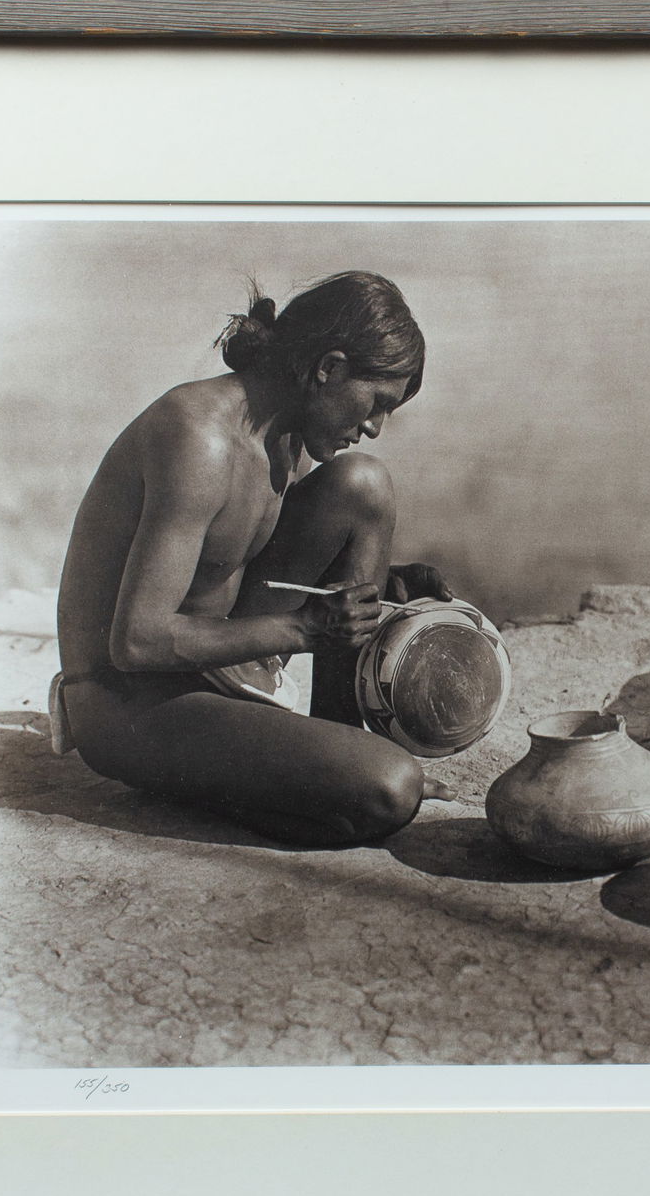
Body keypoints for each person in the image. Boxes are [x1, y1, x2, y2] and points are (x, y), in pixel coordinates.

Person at [53, 270, 455, 847]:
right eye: (377, 403)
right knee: (389, 791)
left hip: (215, 665)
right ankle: (297, 778)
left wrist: (381, 588)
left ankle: (337, 736)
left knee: (364, 485)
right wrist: (303, 628)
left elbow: (220, 566)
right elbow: (136, 643)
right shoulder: (199, 439)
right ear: (329, 367)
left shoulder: (284, 435)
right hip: (129, 700)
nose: (374, 427)